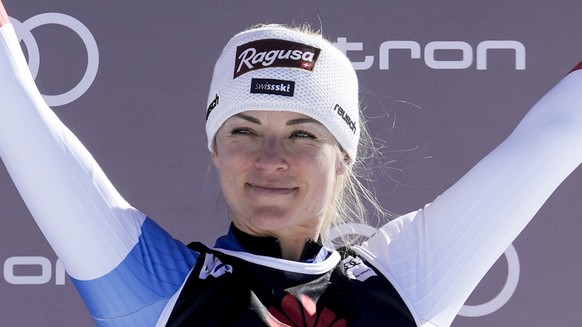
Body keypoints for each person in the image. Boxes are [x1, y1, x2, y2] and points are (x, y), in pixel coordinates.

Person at [1, 2, 582, 326]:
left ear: (345, 156)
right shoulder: (157, 292)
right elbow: (17, 114)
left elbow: (557, 134)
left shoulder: (405, 284)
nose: (269, 158)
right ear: (216, 150)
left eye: (302, 134)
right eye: (244, 131)